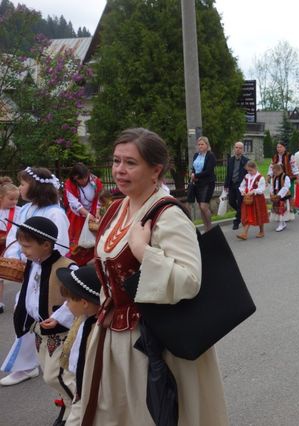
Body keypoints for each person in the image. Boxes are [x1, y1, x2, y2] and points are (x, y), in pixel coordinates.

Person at [75, 128, 228, 426]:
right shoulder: (116, 209)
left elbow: (189, 279)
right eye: (117, 161)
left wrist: (143, 250)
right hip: (111, 341)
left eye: (130, 163)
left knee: (151, 414)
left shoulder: (168, 214)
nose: (119, 170)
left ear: (155, 170)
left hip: (154, 342)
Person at [1, 167, 70, 387]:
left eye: (23, 184)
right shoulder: (26, 209)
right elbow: (14, 236)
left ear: (36, 186)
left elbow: (60, 245)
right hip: (31, 268)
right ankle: (29, 363)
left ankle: (39, 362)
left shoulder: (55, 213)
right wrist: (15, 255)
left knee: (44, 312)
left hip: (47, 270)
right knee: (25, 309)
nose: (19, 188)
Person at [10, 216, 76, 425]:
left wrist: (58, 318)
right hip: (40, 331)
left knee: (54, 375)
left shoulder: (66, 267)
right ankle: (68, 406)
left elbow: (75, 300)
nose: (24, 251)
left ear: (46, 245)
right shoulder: (33, 264)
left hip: (61, 333)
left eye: (28, 247)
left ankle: (80, 405)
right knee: (53, 373)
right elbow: (28, 291)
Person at [56, 265, 101, 423]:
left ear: (84, 303)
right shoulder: (82, 320)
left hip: (89, 391)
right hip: (80, 387)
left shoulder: (97, 330)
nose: (66, 305)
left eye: (68, 301)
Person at [63, 163, 103, 265]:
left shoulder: (95, 181)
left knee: (92, 239)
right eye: (80, 179)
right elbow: (74, 203)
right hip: (77, 216)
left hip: (92, 213)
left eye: (85, 178)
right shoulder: (69, 184)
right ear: (74, 178)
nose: (83, 181)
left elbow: (99, 196)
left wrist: (97, 211)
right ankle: (74, 263)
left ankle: (89, 261)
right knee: (76, 241)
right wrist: (88, 214)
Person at [0, 177, 21, 314]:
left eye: (16, 199)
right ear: (1, 197)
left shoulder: (19, 211)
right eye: (11, 199)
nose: (14, 202)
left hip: (7, 247)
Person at [188, 136, 217, 231]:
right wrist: (192, 173)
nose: (200, 146)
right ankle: (206, 228)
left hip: (207, 183)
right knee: (201, 207)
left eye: (202, 144)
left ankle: (210, 227)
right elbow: (193, 167)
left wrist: (196, 176)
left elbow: (208, 171)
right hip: (197, 184)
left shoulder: (210, 155)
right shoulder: (196, 155)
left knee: (204, 206)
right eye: (199, 144)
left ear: (207, 145)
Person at [237, 160, 269, 240]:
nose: (249, 172)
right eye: (248, 170)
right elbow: (242, 185)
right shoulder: (247, 176)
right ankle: (244, 234)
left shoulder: (260, 177)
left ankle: (261, 231)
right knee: (248, 215)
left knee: (259, 214)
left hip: (257, 198)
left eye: (251, 170)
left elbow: (261, 189)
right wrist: (243, 191)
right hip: (248, 198)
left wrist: (254, 191)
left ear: (255, 168)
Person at [224, 141, 249, 230]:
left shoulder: (246, 161)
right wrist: (226, 185)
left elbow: (248, 174)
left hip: (241, 185)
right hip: (232, 184)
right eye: (236, 147)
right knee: (231, 201)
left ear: (242, 150)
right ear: (234, 148)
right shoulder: (230, 160)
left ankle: (237, 221)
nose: (238, 149)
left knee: (240, 203)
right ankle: (242, 213)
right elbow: (228, 173)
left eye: (240, 148)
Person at [269, 163, 294, 232]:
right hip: (276, 195)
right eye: (273, 172)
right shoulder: (274, 177)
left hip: (283, 196)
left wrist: (279, 195)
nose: (274, 173)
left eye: (275, 172)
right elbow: (272, 185)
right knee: (277, 210)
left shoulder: (285, 177)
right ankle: (283, 223)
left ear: (279, 170)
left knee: (282, 210)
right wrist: (271, 193)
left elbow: (286, 187)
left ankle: (281, 224)